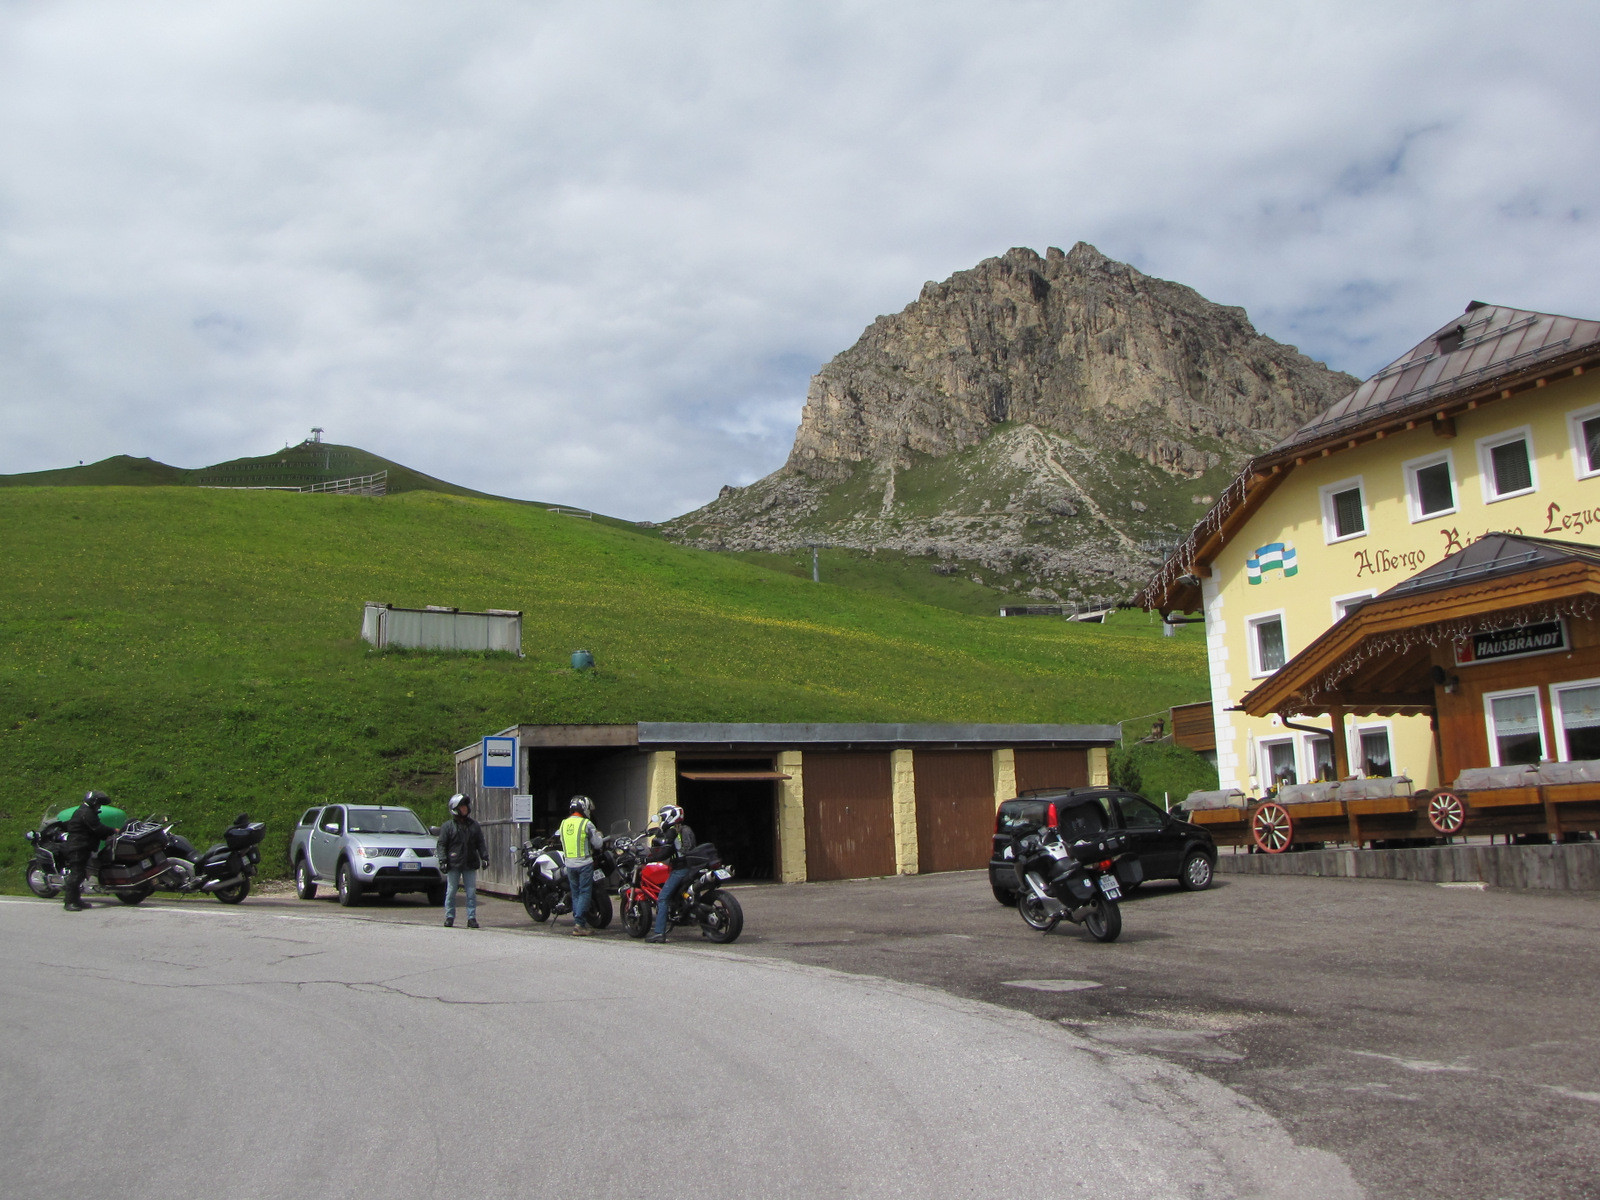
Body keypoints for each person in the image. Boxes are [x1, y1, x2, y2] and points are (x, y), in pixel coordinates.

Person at [646, 804, 697, 944]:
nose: (662, 819)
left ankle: (659, 933)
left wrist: (647, 859)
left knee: (662, 898)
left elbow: (666, 852)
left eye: (663, 817)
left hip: (680, 869)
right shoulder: (685, 829)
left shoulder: (672, 832)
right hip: (691, 866)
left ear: (670, 816)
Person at [436, 794, 487, 929]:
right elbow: (441, 844)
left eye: (466, 806)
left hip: (470, 862)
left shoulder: (474, 825)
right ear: (455, 809)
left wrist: (485, 857)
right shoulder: (448, 826)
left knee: (471, 892)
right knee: (451, 891)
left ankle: (471, 918)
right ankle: (449, 916)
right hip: (454, 863)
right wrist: (443, 860)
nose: (465, 809)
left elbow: (480, 843)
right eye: (462, 806)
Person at [62, 791, 118, 912]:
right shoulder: (85, 813)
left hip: (82, 846)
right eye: (98, 804)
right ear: (93, 802)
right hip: (78, 847)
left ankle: (76, 900)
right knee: (76, 874)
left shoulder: (85, 811)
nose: (99, 807)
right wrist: (113, 830)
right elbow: (97, 828)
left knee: (81, 874)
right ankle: (69, 901)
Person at [559, 795, 605, 937]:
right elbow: (598, 844)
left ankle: (578, 921)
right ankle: (579, 925)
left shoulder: (563, 823)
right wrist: (599, 835)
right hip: (584, 863)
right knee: (585, 892)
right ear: (584, 808)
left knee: (576, 893)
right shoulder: (586, 824)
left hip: (569, 864)